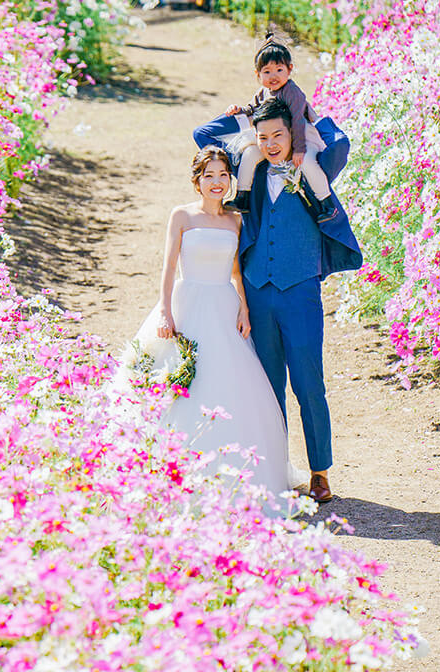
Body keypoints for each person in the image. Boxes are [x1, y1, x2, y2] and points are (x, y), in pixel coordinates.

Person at [193, 98, 363, 503]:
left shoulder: (314, 168)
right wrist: (241, 117)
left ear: (293, 135)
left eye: (279, 135)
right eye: (263, 136)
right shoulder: (247, 170)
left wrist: (307, 117)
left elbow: (340, 143)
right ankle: (276, 471)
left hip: (301, 291)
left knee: (309, 385)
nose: (270, 144)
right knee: (267, 390)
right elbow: (203, 136)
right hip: (257, 293)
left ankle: (320, 472)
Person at [128, 146, 292, 495]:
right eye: (209, 176)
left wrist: (244, 308)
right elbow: (169, 266)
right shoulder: (182, 216)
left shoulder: (235, 219)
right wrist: (164, 310)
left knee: (229, 380)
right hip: (188, 302)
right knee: (182, 381)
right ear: (197, 181)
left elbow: (236, 271)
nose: (216, 182)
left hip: (223, 304)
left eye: (222, 175)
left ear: (230, 180)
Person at [224, 40, 336, 223]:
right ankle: (242, 195)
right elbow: (253, 109)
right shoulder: (264, 92)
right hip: (275, 141)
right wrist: (239, 110)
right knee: (250, 153)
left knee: (307, 162)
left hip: (303, 137)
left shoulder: (292, 92)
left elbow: (299, 120)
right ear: (258, 74)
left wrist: (299, 149)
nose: (273, 76)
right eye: (267, 72)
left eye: (279, 70)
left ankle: (327, 203)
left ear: (289, 69)